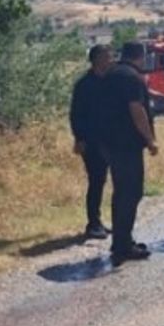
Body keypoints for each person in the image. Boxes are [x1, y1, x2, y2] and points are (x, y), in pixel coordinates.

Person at [99, 42, 158, 263]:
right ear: (140, 56)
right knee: (131, 193)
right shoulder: (132, 77)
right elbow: (136, 110)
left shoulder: (111, 74)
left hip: (109, 142)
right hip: (127, 144)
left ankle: (121, 240)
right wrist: (150, 140)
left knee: (121, 192)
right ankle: (123, 246)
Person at [69, 44, 114, 239]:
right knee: (96, 180)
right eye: (107, 56)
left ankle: (100, 221)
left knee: (103, 180)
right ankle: (93, 224)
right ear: (96, 59)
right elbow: (75, 114)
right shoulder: (84, 85)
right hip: (90, 141)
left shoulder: (110, 81)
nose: (110, 60)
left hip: (109, 139)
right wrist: (79, 139)